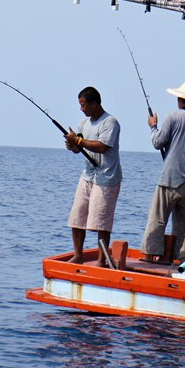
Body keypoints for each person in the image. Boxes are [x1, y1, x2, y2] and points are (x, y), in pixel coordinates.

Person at [140, 80, 185, 263]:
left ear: (179, 98)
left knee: (157, 220)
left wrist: (153, 126)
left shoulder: (173, 117)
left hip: (170, 179)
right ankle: (180, 258)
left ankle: (151, 255)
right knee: (184, 225)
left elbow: (158, 142)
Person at [64, 86, 122, 266]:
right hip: (88, 176)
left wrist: (79, 141)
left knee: (101, 221)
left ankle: (101, 259)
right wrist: (72, 145)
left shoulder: (110, 123)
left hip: (106, 177)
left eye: (83, 105)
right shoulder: (83, 123)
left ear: (95, 104)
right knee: (77, 216)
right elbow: (79, 148)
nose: (81, 109)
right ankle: (78, 254)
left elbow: (102, 147)